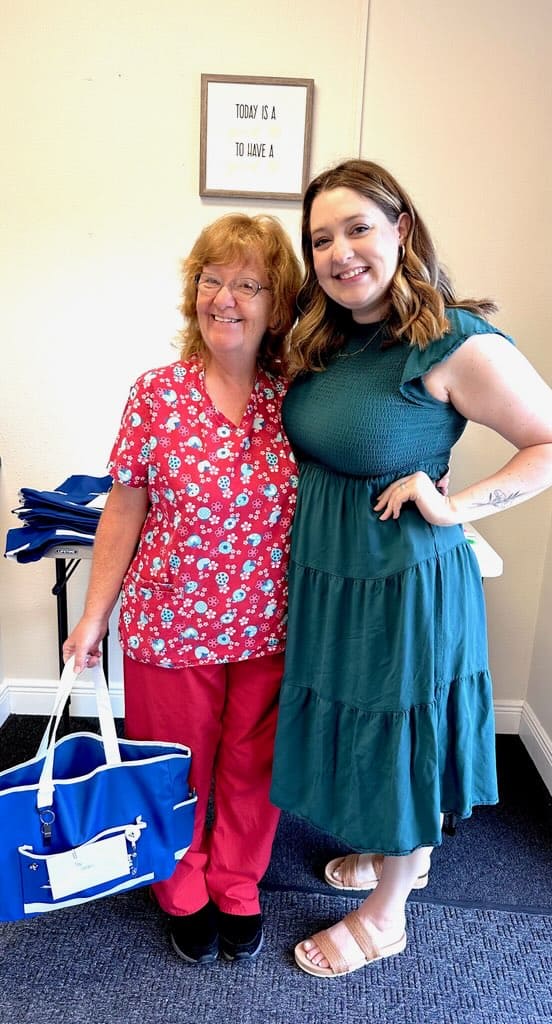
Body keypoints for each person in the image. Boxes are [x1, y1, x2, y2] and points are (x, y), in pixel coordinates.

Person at [269, 159, 552, 978]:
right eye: (321, 238)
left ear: (401, 229)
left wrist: (455, 506)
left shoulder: (453, 341)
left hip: (403, 579)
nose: (339, 251)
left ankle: (388, 914)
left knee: (400, 733)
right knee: (364, 719)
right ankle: (401, 850)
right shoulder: (327, 337)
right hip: (334, 570)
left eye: (358, 227)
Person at [63, 213, 302, 965]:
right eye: (210, 278)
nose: (223, 297)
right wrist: (92, 618)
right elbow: (124, 506)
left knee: (251, 768)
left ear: (278, 305)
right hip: (172, 623)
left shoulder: (298, 398)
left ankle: (236, 881)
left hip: (270, 624)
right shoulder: (157, 395)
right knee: (177, 762)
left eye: (247, 284)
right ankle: (180, 884)